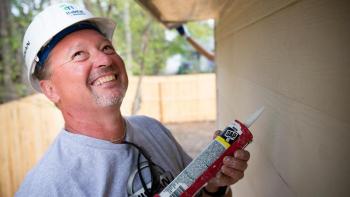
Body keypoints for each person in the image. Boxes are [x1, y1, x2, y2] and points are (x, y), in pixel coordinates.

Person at [16, 3, 250, 197]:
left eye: (107, 48)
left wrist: (215, 185)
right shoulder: (48, 187)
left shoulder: (153, 130)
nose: (104, 60)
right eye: (79, 54)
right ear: (50, 89)